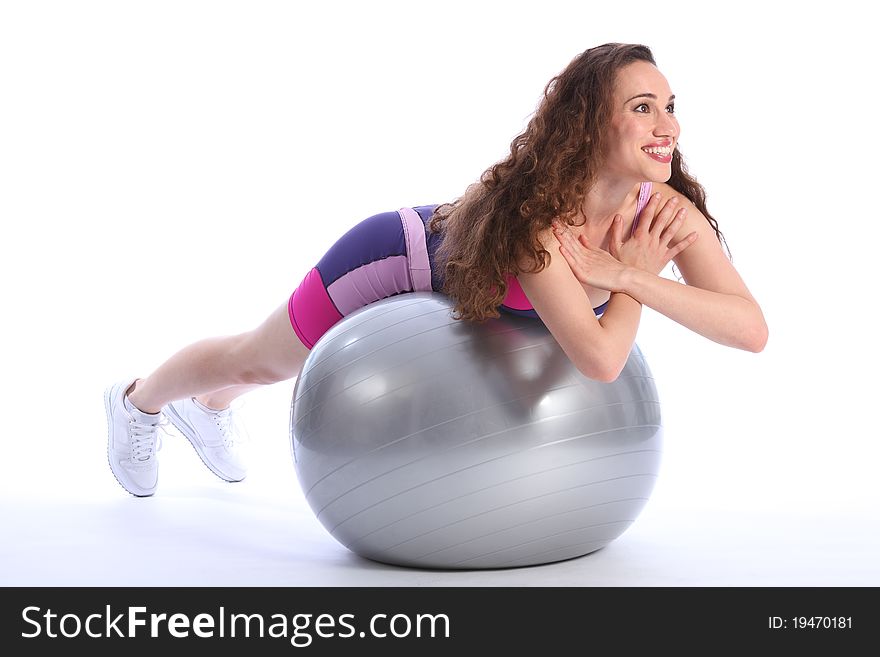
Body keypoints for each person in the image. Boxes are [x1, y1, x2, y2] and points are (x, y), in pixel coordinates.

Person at [104, 42, 768, 497]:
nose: (668, 127)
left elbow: (750, 328)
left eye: (671, 104)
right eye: (642, 107)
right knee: (260, 361)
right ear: (592, 124)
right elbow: (598, 359)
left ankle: (207, 408)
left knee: (247, 373)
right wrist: (630, 274)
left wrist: (631, 275)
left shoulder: (664, 214)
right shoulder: (540, 219)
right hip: (397, 256)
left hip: (480, 274)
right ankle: (141, 399)